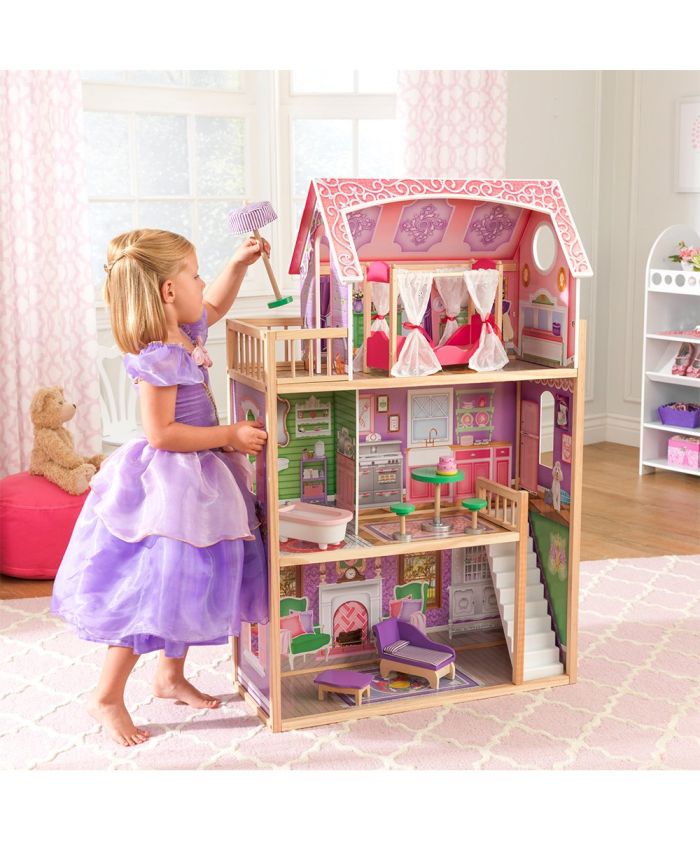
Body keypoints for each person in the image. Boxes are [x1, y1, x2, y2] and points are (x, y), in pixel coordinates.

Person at [51, 228, 269, 747]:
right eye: (194, 274)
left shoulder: (185, 330)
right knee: (154, 589)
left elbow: (214, 304)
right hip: (172, 484)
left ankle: (169, 676)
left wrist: (238, 264)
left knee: (189, 580)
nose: (202, 283)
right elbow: (161, 433)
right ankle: (107, 695)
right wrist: (229, 435)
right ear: (169, 290)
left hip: (203, 480)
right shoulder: (160, 355)